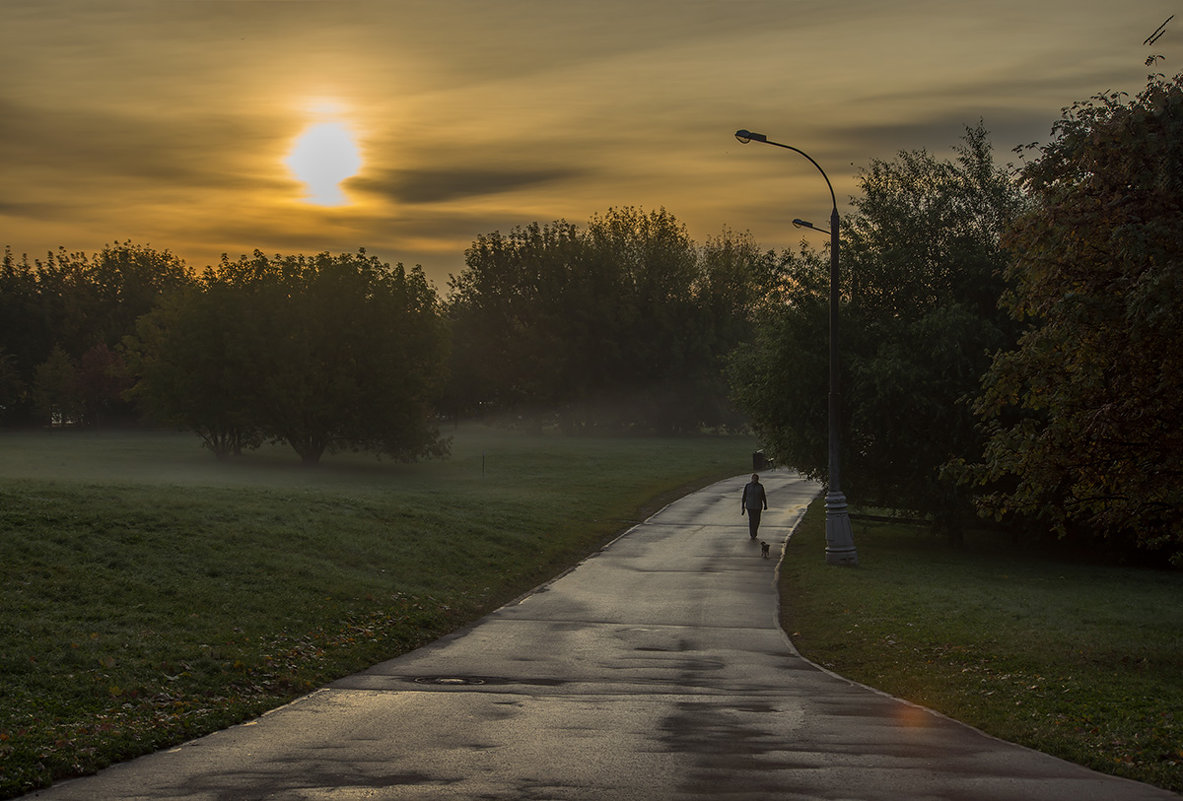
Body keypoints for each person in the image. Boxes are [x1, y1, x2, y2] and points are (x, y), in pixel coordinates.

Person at [741, 473, 768, 540]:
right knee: (751, 519)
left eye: (756, 479)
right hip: (750, 506)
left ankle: (755, 531)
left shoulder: (760, 486)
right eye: (754, 479)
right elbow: (744, 496)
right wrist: (743, 506)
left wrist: (765, 504)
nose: (755, 480)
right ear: (752, 479)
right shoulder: (748, 486)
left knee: (757, 520)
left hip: (758, 506)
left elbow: (763, 496)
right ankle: (752, 533)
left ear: (758, 479)